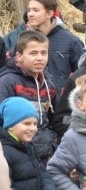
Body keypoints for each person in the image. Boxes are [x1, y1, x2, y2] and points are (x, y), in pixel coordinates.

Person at [3, 0, 84, 89]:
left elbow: (83, 73)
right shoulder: (21, 40)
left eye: (36, 10)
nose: (30, 14)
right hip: (30, 97)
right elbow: (9, 69)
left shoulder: (71, 41)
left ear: (49, 13)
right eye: (29, 10)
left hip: (60, 100)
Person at [0, 30, 58, 164]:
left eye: (44, 53)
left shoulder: (49, 84)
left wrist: (53, 143)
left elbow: (55, 120)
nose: (40, 58)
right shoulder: (7, 82)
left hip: (47, 156)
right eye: (33, 53)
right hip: (18, 157)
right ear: (19, 56)